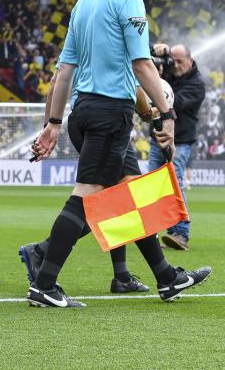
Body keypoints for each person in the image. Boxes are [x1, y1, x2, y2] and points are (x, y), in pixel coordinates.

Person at [29, 0, 210, 308]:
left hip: (83, 111)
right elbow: (142, 65)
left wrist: (54, 123)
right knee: (85, 196)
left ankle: (165, 277)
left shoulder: (83, 2)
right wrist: (167, 112)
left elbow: (63, 71)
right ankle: (43, 282)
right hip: (110, 113)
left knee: (130, 192)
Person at [19, 72, 152, 294]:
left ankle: (123, 276)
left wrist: (49, 125)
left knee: (117, 198)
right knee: (124, 195)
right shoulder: (118, 39)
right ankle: (42, 253)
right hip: (109, 119)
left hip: (84, 115)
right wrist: (151, 112)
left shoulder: (79, 37)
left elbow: (56, 81)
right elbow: (136, 73)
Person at [146, 43, 204, 250]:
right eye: (173, 61)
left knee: (175, 183)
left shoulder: (196, 84)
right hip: (158, 138)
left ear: (190, 59)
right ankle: (152, 232)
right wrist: (155, 49)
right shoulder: (168, 74)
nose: (176, 65)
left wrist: (158, 80)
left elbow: (171, 102)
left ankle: (181, 233)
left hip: (180, 142)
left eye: (180, 61)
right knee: (152, 186)